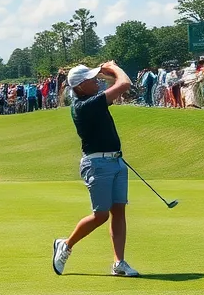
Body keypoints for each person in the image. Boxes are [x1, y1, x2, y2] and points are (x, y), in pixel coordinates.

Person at [52, 62, 139, 278]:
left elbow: (116, 84)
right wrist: (113, 67)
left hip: (116, 161)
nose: (97, 82)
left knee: (118, 212)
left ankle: (119, 263)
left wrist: (102, 72)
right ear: (80, 87)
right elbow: (124, 83)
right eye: (92, 80)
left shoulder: (91, 99)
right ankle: (66, 244)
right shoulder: (85, 105)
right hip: (97, 165)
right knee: (100, 215)